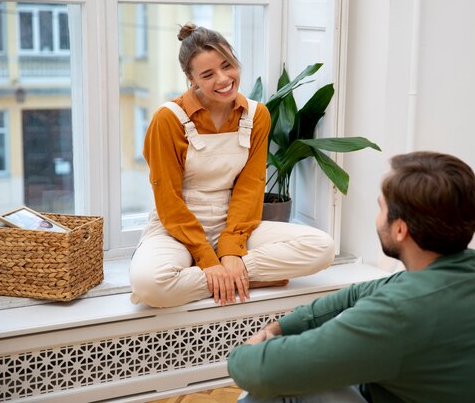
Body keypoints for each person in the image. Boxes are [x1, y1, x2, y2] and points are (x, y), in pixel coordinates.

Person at [228, 151, 475, 403]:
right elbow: (354, 296)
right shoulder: (473, 272)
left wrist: (247, 351)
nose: (376, 218)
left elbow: (260, 372)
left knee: (274, 392)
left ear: (400, 228)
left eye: (381, 208)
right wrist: (282, 326)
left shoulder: (400, 312)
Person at [130, 23, 335, 308]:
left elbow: (250, 186)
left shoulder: (256, 115)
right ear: (191, 79)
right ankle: (241, 278)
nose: (223, 79)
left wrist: (230, 250)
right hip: (177, 227)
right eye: (207, 74)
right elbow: (168, 199)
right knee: (148, 286)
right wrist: (206, 256)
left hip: (235, 223)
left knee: (322, 248)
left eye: (228, 65)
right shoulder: (168, 119)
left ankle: (224, 276)